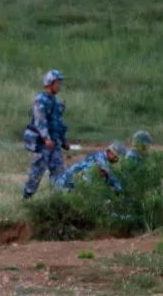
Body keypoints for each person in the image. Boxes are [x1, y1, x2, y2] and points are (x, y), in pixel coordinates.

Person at [22, 69, 69, 199]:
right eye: (57, 83)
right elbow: (40, 121)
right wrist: (46, 138)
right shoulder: (40, 100)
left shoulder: (57, 102)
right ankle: (27, 197)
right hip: (42, 144)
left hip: (54, 144)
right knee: (37, 172)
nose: (59, 86)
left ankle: (56, 199)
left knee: (59, 171)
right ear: (49, 83)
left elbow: (59, 123)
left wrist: (64, 140)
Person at [55, 141, 125, 192]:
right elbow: (109, 175)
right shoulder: (100, 159)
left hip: (74, 184)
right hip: (64, 184)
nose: (117, 160)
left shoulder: (104, 160)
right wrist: (119, 189)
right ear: (109, 152)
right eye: (116, 157)